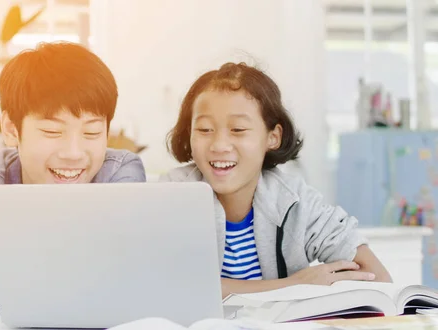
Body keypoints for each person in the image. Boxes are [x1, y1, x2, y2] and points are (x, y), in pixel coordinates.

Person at [0, 42, 146, 315]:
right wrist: (78, 267)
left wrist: (9, 284)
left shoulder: (121, 171)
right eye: (52, 132)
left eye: (91, 133)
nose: (74, 154)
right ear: (11, 129)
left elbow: (127, 276)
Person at [160, 62, 391, 297]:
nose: (219, 145)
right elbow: (166, 287)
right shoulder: (170, 196)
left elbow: (377, 278)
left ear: (273, 137)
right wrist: (294, 286)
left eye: (238, 129)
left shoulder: (295, 201)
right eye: (205, 129)